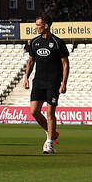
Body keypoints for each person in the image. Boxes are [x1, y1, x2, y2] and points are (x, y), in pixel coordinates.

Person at [23, 14, 70, 154]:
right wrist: (26, 77)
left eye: (38, 25)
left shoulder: (57, 42)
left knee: (50, 113)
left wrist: (63, 83)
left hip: (53, 82)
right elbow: (31, 61)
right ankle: (51, 133)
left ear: (46, 26)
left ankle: (49, 144)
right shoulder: (35, 42)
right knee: (34, 111)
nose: (36, 27)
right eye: (36, 24)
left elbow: (65, 64)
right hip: (38, 81)